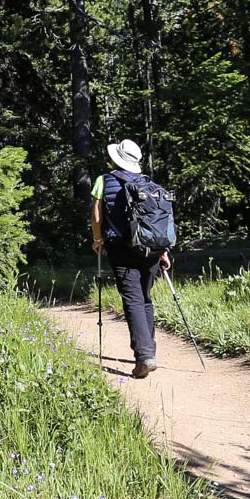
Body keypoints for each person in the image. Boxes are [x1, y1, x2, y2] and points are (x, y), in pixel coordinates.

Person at [91, 137, 169, 379]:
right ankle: (149, 350)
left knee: (133, 299)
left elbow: (96, 213)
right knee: (145, 297)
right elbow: (158, 220)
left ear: (116, 159)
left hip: (121, 247)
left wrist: (97, 239)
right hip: (152, 249)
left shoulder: (104, 181)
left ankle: (145, 356)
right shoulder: (150, 184)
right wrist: (164, 251)